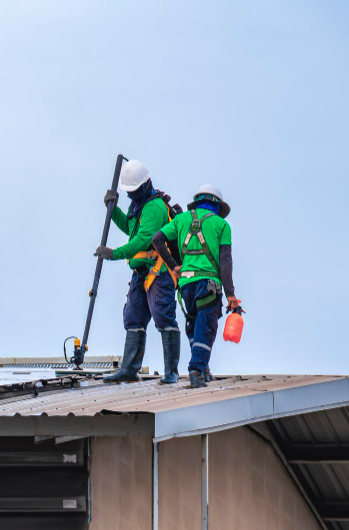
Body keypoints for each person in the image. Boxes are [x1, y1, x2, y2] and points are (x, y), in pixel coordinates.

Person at [94, 160, 181, 383]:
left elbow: (143, 240)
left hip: (158, 272)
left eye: (133, 191)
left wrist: (114, 253)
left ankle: (171, 372)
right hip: (141, 273)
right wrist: (113, 211)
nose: (131, 195)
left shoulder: (153, 207)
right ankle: (129, 370)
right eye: (128, 192)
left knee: (163, 316)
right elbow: (131, 229)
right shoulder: (139, 206)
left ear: (144, 185)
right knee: (133, 317)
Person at [152, 185, 240, 388]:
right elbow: (225, 261)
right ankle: (196, 370)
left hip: (185, 288)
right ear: (217, 205)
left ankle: (203, 368)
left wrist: (174, 265)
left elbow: (157, 239)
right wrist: (231, 294)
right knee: (206, 328)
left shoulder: (181, 220)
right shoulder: (221, 225)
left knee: (194, 326)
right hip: (208, 285)